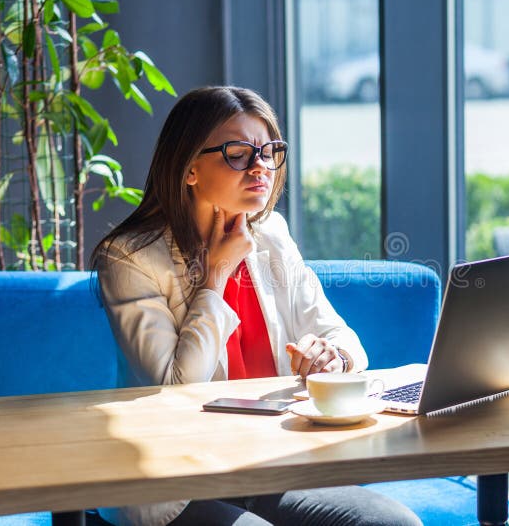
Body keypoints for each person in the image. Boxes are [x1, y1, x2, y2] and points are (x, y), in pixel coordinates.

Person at [91, 86, 421, 526]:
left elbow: (344, 338)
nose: (260, 166)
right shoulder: (130, 257)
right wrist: (216, 276)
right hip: (175, 477)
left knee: (393, 524)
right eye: (238, 153)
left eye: (268, 151)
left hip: (272, 462)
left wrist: (332, 358)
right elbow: (176, 383)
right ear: (190, 169)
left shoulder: (272, 236)